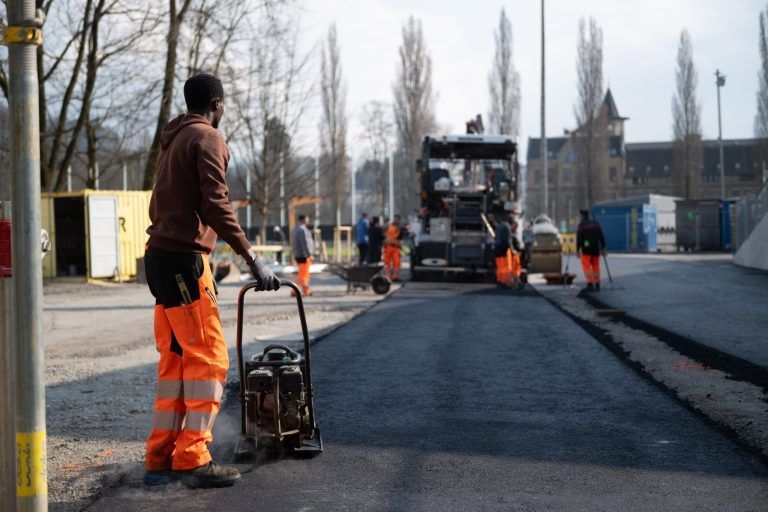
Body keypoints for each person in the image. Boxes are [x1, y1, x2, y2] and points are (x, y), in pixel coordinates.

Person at [143, 73, 280, 489]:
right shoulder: (207, 138)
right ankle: (193, 456)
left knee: (177, 362)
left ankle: (161, 455)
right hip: (185, 263)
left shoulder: (173, 140)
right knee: (209, 359)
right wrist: (253, 258)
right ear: (217, 104)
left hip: (159, 260)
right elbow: (216, 205)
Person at [576, 209, 606, 291]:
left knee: (586, 266)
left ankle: (590, 284)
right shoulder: (596, 224)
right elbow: (601, 236)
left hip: (586, 249)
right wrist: (603, 247)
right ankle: (597, 284)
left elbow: (579, 239)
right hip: (596, 248)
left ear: (582, 216)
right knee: (596, 266)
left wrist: (577, 250)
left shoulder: (581, 225)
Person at [291, 214, 314, 296]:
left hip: (298, 254)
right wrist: (310, 254)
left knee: (301, 274)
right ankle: (304, 290)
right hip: (304, 255)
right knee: (304, 274)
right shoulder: (303, 230)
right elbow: (305, 243)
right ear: (304, 220)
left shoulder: (294, 230)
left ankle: (297, 290)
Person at [384, 215, 402, 280]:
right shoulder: (389, 226)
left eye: (397, 219)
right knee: (388, 262)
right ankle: (388, 276)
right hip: (389, 247)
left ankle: (395, 277)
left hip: (395, 247)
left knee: (397, 262)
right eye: (395, 219)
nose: (396, 220)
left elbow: (399, 237)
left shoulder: (399, 228)